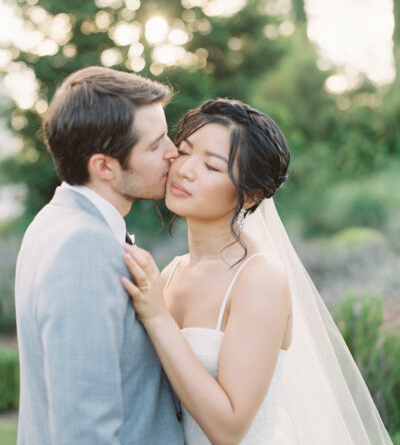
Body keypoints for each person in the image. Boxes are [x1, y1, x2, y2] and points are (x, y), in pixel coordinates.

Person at [122, 98, 393, 444]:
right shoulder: (171, 272)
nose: (186, 169)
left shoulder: (259, 278)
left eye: (212, 167)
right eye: (185, 151)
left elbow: (229, 428)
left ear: (249, 196)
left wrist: (158, 317)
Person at [15, 66, 185, 445]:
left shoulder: (53, 220)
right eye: (156, 145)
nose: (174, 153)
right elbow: (84, 431)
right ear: (105, 166)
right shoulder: (83, 247)